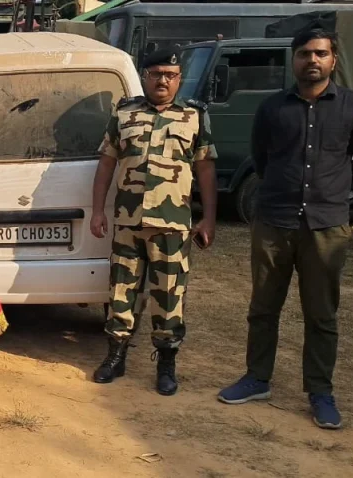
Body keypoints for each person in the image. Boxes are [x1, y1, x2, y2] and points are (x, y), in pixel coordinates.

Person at [217, 29, 353, 430]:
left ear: (333, 60)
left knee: (321, 314)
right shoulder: (273, 108)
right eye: (305, 53)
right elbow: (261, 158)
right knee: (263, 307)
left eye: (321, 54)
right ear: (293, 60)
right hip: (274, 221)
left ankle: (320, 392)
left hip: (326, 226)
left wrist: (337, 195)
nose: (313, 60)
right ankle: (257, 378)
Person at [89, 47, 218, 396]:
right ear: (145, 76)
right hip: (129, 223)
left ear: (179, 78)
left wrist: (209, 217)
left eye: (170, 74)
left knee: (168, 295)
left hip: (172, 225)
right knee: (120, 292)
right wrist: (98, 209)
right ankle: (115, 357)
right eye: (156, 73)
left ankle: (166, 363)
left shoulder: (193, 117)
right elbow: (106, 164)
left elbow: (205, 169)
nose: (163, 80)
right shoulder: (124, 115)